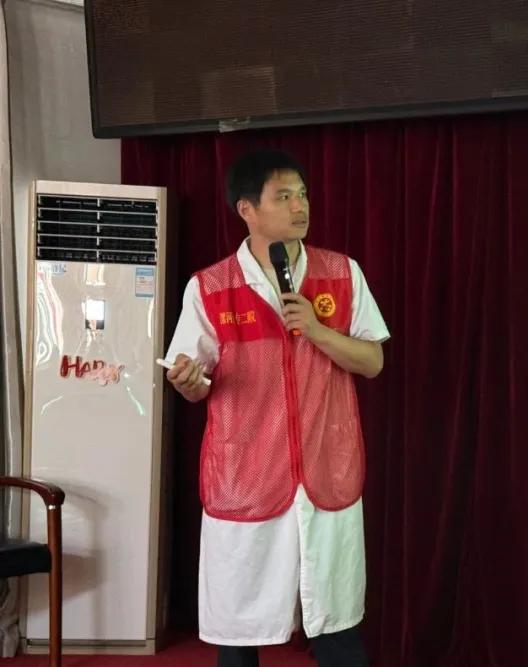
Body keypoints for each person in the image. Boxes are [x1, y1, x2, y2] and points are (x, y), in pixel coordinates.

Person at [163, 148, 388, 667]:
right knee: (238, 634)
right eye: (283, 196)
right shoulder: (211, 287)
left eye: (302, 194)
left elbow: (373, 361)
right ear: (246, 209)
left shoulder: (341, 273)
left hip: (326, 474)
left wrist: (317, 330)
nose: (299, 206)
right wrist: (188, 381)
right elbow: (194, 382)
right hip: (246, 478)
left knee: (336, 626)